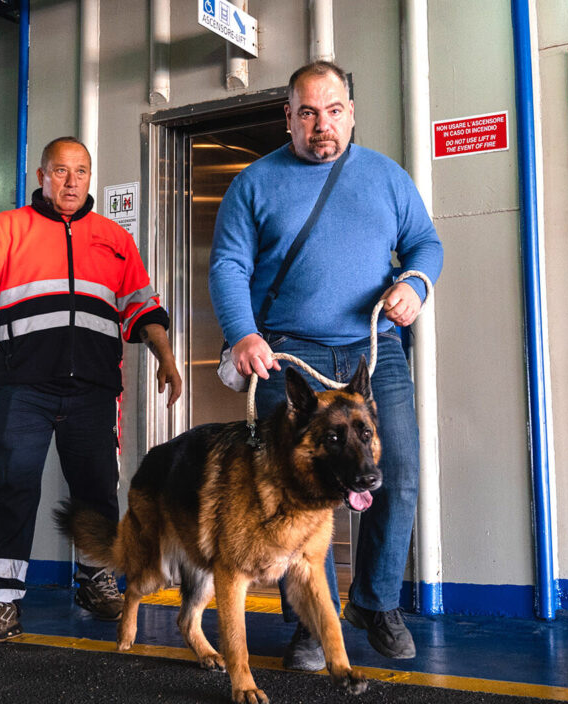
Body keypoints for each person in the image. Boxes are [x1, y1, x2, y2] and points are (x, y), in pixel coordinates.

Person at [208, 61, 442, 668]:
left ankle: (375, 601)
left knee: (399, 473)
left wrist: (416, 283)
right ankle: (311, 624)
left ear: (352, 111)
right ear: (287, 116)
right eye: (308, 113)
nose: (322, 125)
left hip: (373, 350)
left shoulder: (386, 178)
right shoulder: (254, 184)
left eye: (334, 110)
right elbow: (228, 266)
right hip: (291, 355)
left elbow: (425, 244)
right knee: (293, 492)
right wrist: (243, 334)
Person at [0, 136, 183, 645]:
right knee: (12, 487)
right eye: (61, 172)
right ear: (43, 175)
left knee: (96, 490)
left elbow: (142, 306)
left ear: (91, 178)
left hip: (93, 390)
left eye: (81, 172)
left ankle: (97, 582)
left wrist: (169, 360)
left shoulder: (114, 238)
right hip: (25, 387)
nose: (71, 182)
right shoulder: (10, 227)